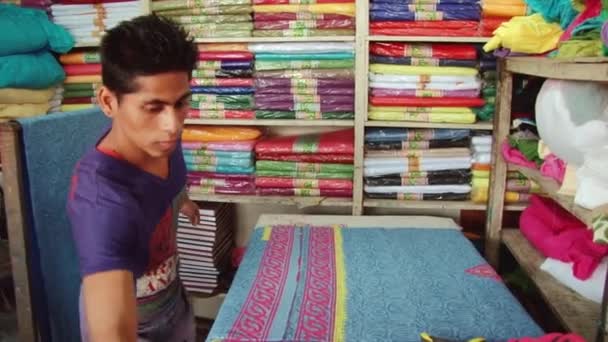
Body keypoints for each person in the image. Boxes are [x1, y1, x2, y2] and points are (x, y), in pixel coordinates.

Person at [67, 14, 200, 342]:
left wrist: (181, 199)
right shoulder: (103, 204)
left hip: (172, 303)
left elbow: (166, 182)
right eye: (153, 107)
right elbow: (112, 332)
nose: (173, 125)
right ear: (108, 102)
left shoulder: (160, 139)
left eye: (181, 103)